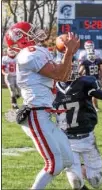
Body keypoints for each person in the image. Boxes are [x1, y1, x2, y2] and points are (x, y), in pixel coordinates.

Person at [4, 21, 80, 189]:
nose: (36, 33)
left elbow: (65, 75)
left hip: (44, 114)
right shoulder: (28, 54)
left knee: (68, 158)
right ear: (22, 39)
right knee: (54, 164)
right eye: (30, 32)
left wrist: (70, 53)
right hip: (35, 114)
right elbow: (60, 75)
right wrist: (68, 51)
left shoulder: (37, 51)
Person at [53, 62, 102, 190]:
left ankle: (82, 168)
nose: (70, 71)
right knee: (75, 182)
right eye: (67, 68)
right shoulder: (50, 88)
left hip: (87, 138)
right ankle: (78, 169)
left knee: (95, 182)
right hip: (66, 140)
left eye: (72, 68)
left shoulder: (84, 83)